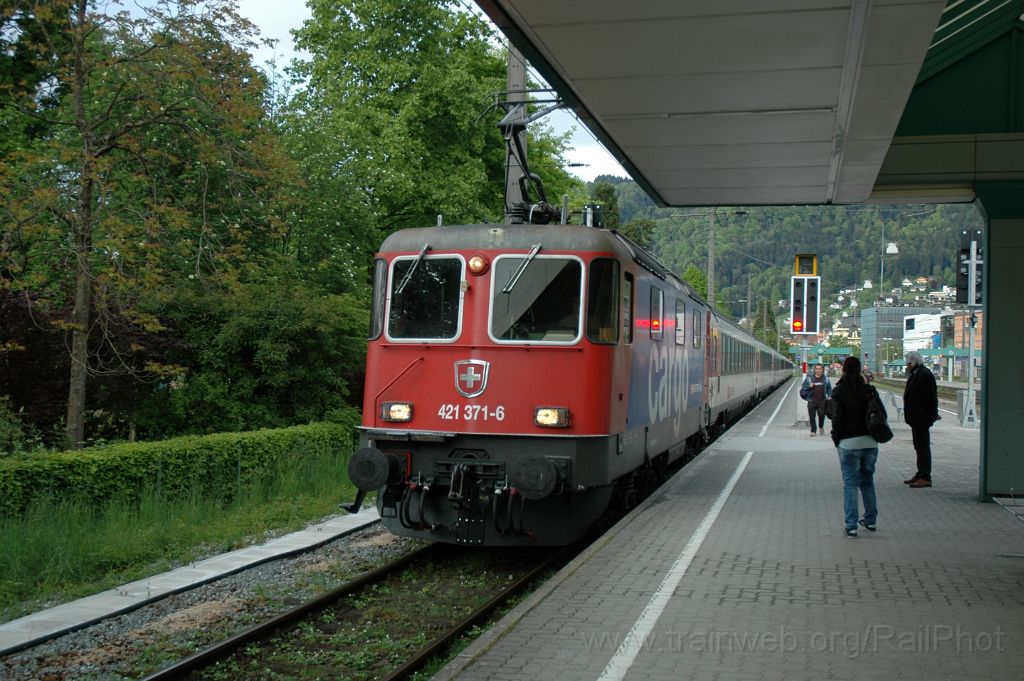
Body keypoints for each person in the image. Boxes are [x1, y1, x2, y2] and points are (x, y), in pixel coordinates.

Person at [830, 356, 880, 537]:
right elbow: (880, 415)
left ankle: (851, 526)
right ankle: (871, 521)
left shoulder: (839, 391)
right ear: (859, 370)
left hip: (849, 444)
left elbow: (836, 419)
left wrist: (837, 440)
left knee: (850, 484)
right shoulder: (869, 390)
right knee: (867, 482)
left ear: (844, 369)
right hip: (870, 443)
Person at [903, 350, 939, 488]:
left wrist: (932, 415)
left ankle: (925, 477)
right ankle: (920, 473)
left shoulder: (924, 375)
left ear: (913, 363)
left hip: (922, 417)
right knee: (918, 446)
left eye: (908, 363)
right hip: (916, 417)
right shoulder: (917, 373)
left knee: (923, 447)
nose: (907, 366)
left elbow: (931, 397)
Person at [800, 364, 832, 436]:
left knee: (821, 415)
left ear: (822, 370)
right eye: (817, 369)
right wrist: (809, 386)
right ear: (814, 370)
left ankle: (821, 427)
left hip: (822, 401)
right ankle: (813, 431)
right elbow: (804, 388)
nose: (818, 370)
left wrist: (830, 395)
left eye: (820, 369)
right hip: (811, 400)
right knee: (812, 416)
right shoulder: (809, 379)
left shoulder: (826, 379)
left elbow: (829, 388)